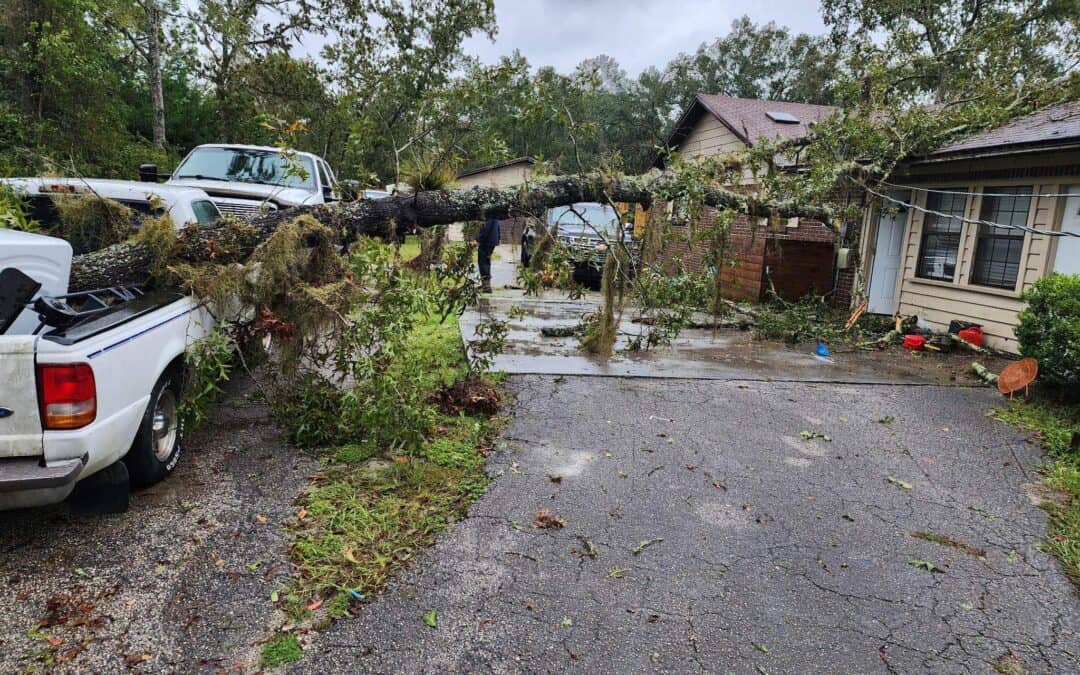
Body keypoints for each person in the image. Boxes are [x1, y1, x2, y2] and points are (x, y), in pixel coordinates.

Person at [472, 217, 500, 293]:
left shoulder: (488, 213)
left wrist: (478, 240)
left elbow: (485, 227)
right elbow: (498, 225)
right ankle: (485, 284)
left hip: (486, 240)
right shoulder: (495, 212)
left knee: (483, 262)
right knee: (486, 261)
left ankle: (486, 286)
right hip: (492, 239)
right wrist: (498, 238)